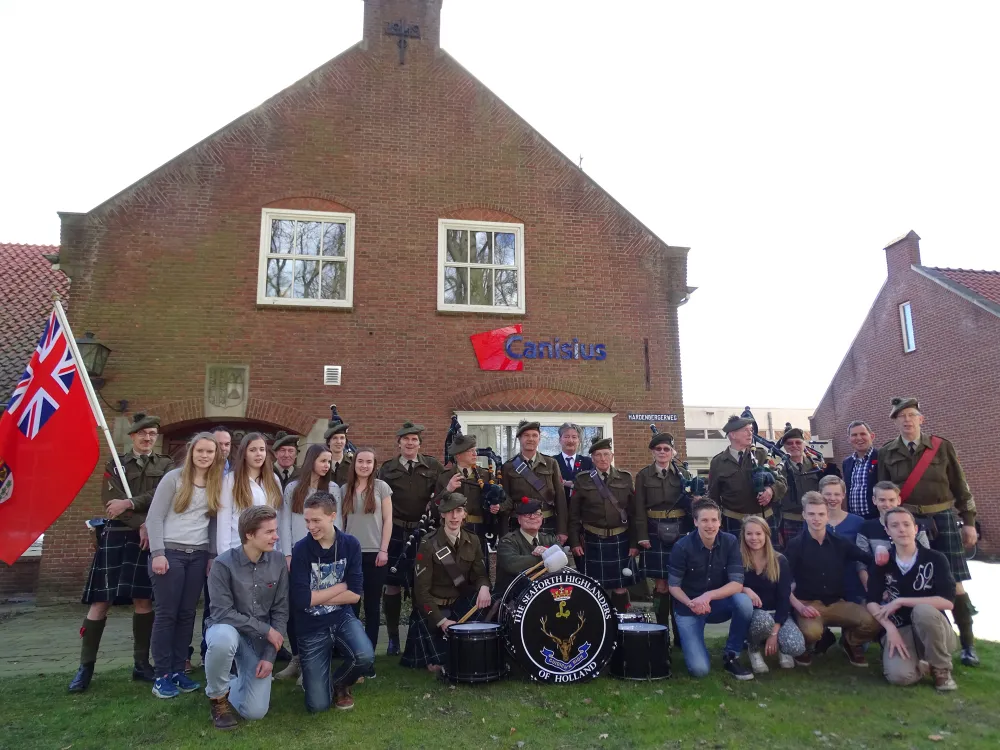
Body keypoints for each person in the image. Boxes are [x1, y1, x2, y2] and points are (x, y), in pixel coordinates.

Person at [70, 412, 175, 693]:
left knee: (143, 600)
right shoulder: (115, 463)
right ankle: (85, 668)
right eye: (142, 434)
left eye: (152, 434)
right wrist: (141, 523)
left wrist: (130, 505)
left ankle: (141, 665)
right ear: (133, 436)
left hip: (148, 539)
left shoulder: (166, 464)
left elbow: (163, 496)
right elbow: (110, 503)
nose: (147, 438)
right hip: (118, 535)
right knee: (100, 602)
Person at [876, 397, 980, 667]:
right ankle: (922, 639)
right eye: (901, 416)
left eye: (911, 415)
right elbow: (883, 490)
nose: (907, 420)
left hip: (942, 518)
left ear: (921, 418)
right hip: (907, 520)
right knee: (912, 579)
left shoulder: (942, 447)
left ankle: (968, 645)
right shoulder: (887, 452)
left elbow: (961, 486)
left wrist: (969, 521)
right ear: (895, 422)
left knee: (955, 582)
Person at [145, 432, 224, 698]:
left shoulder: (215, 482)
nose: (204, 456)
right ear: (191, 451)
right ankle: (161, 675)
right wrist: (158, 553)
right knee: (167, 614)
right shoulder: (174, 478)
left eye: (210, 452)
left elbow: (213, 523)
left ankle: (179, 669)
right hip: (170, 553)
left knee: (188, 614)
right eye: (200, 451)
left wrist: (211, 556)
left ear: (216, 455)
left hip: (198, 555)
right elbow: (154, 517)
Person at [203, 505, 288, 729]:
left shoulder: (278, 561)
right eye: (269, 532)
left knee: (255, 712)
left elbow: (281, 610)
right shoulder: (222, 564)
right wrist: (265, 629)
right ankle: (217, 699)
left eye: (275, 530)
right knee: (223, 638)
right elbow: (221, 612)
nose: (276, 536)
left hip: (257, 642)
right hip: (227, 630)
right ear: (249, 534)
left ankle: (230, 683)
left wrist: (269, 657)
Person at [289, 492, 373, 712]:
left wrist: (316, 596)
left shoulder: (350, 545)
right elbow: (302, 600)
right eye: (307, 521)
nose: (310, 526)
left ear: (332, 516)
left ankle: (340, 683)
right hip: (311, 625)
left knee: (365, 656)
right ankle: (316, 682)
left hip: (341, 617)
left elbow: (355, 595)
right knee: (318, 705)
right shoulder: (301, 549)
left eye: (316, 520)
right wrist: (341, 586)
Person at [867, 507, 959, 691]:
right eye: (895, 525)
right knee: (900, 677)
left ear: (915, 529)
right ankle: (921, 663)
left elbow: (947, 602)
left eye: (906, 524)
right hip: (900, 627)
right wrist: (889, 628)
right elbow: (871, 601)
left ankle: (941, 670)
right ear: (887, 531)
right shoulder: (883, 562)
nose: (902, 529)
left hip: (934, 629)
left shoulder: (935, 559)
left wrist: (901, 601)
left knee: (922, 610)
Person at [784, 492, 879, 667]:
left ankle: (849, 642)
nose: (816, 519)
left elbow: (867, 559)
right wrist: (800, 607)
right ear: (804, 515)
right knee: (812, 633)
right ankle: (809, 645)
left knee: (874, 621)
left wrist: (884, 558)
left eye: (821, 514)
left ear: (827, 516)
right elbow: (783, 581)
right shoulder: (795, 545)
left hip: (836, 603)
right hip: (808, 604)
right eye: (811, 514)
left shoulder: (840, 542)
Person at [401, 493, 491, 673]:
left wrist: (484, 587)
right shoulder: (428, 543)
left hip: (459, 605)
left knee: (475, 652)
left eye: (458, 511)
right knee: (439, 664)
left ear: (465, 513)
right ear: (442, 514)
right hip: (434, 610)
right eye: (449, 511)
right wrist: (441, 621)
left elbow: (480, 575)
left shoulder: (473, 540)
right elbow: (421, 592)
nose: (454, 516)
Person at [667, 499, 754, 680]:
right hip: (689, 607)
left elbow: (737, 584)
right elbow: (673, 586)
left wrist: (708, 596)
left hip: (718, 604)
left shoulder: (730, 542)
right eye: (704, 520)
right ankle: (697, 648)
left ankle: (732, 655)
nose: (710, 525)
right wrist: (691, 603)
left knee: (744, 602)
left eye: (714, 520)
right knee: (699, 670)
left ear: (720, 522)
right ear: (695, 522)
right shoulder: (681, 547)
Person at [377, 421, 444, 656]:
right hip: (395, 531)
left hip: (424, 532)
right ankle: (393, 638)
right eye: (405, 439)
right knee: (392, 584)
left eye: (414, 439)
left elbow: (443, 493)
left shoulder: (433, 466)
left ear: (419, 444)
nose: (410, 443)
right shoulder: (387, 468)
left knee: (421, 584)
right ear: (399, 443)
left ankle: (419, 635)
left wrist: (434, 506)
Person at [275, 443, 335, 682]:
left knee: (319, 608)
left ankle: (315, 661)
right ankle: (297, 658)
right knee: (296, 608)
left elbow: (336, 523)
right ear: (311, 461)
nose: (327, 465)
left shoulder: (332, 489)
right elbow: (285, 522)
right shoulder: (293, 488)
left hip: (322, 557)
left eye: (329, 461)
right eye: (323, 460)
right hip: (297, 556)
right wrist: (287, 554)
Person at [633, 431, 695, 631]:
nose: (662, 452)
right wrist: (642, 536)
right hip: (654, 531)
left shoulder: (683, 474)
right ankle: (661, 630)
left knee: (678, 583)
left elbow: (690, 506)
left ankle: (679, 631)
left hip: (680, 531)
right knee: (661, 585)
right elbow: (638, 508)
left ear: (672, 452)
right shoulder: (643, 475)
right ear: (652, 452)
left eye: (666, 449)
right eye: (658, 449)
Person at [569, 437, 636, 614]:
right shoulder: (582, 480)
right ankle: (598, 623)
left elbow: (634, 514)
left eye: (606, 454)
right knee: (593, 586)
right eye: (598, 455)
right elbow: (574, 515)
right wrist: (574, 542)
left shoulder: (625, 478)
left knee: (620, 586)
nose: (602, 458)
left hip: (620, 539)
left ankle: (620, 622)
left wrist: (634, 543)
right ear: (592, 458)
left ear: (612, 456)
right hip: (592, 540)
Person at [341, 447, 393, 655]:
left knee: (372, 606)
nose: (364, 465)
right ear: (354, 464)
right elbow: (340, 523)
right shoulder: (344, 489)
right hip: (351, 554)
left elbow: (388, 520)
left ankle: (369, 651)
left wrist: (384, 550)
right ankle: (353, 650)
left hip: (376, 554)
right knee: (352, 605)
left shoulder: (381, 487)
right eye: (360, 461)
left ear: (374, 465)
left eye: (368, 462)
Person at [739, 516, 805, 673]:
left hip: (778, 612)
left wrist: (775, 632)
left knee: (796, 646)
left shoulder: (780, 560)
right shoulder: (738, 559)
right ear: (743, 536)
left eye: (758, 533)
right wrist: (744, 589)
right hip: (754, 614)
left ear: (766, 535)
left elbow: (784, 597)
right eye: (749, 534)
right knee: (763, 622)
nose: (754, 538)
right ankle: (753, 648)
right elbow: (729, 584)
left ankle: (781, 646)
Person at [437, 433, 509, 570]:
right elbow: (435, 507)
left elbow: (506, 500)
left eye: (474, 450)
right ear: (458, 455)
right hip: (452, 529)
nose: (475, 454)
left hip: (479, 530)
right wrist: (448, 490)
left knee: (479, 570)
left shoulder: (486, 475)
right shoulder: (445, 477)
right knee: (452, 571)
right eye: (470, 451)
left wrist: (498, 506)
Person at [708, 414, 786, 539]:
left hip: (763, 519)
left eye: (751, 430)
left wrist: (771, 490)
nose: (750, 433)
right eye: (745, 430)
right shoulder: (718, 462)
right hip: (733, 521)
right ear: (733, 435)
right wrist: (716, 521)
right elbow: (713, 496)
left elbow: (781, 481)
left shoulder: (762, 455)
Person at [856, 481, 931, 592]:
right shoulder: (866, 528)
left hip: (914, 585)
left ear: (899, 500)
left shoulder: (915, 525)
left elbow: (926, 556)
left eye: (891, 500)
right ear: (874, 500)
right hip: (880, 586)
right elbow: (861, 564)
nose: (887, 504)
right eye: (882, 500)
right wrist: (871, 590)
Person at [217, 433, 283, 554]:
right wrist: (224, 554)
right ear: (244, 454)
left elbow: (279, 516)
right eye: (253, 450)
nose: (258, 454)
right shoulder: (231, 480)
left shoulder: (274, 480)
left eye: (262, 449)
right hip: (239, 549)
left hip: (269, 549)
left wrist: (279, 550)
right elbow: (224, 520)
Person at [501, 420, 566, 543]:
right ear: (519, 439)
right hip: (518, 523)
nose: (531, 439)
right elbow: (505, 500)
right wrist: (504, 532)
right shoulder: (508, 466)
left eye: (534, 435)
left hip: (547, 522)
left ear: (539, 439)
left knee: (547, 556)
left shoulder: (551, 463)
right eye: (526, 435)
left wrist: (562, 530)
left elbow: (560, 498)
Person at [495, 497, 558, 593]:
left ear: (542, 518)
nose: (532, 517)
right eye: (527, 514)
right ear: (519, 519)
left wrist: (547, 552)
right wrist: (545, 556)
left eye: (537, 514)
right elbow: (511, 565)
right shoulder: (507, 541)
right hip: (512, 595)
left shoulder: (549, 538)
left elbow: (563, 557)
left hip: (543, 594)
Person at [820, 475, 865, 604]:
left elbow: (863, 557)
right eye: (828, 494)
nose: (832, 498)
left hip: (852, 586)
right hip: (824, 588)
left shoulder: (858, 522)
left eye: (837, 494)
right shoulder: (813, 522)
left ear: (843, 495)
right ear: (820, 494)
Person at [776, 426, 822, 546]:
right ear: (784, 447)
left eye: (798, 442)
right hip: (789, 521)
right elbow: (775, 503)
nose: (794, 446)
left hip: (815, 520)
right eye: (789, 443)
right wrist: (778, 529)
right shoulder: (778, 470)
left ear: (804, 444)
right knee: (792, 555)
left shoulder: (817, 467)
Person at [843, 421, 879, 519]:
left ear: (872, 436)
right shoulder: (847, 463)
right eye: (854, 435)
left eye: (863, 434)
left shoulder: (881, 458)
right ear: (849, 439)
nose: (859, 438)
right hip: (854, 518)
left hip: (875, 517)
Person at [324, 408, 354, 486]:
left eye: (342, 438)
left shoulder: (353, 463)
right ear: (329, 442)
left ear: (346, 441)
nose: (339, 442)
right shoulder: (322, 463)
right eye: (335, 438)